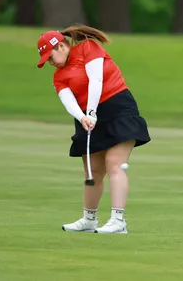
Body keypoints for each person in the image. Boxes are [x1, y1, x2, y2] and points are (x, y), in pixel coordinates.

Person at [36, 24, 151, 234]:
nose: (51, 63)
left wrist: (91, 112)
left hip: (117, 108)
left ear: (61, 46)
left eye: (50, 57)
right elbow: (68, 100)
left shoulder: (88, 47)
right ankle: (89, 220)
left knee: (114, 163)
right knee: (93, 171)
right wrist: (82, 117)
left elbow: (96, 80)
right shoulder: (59, 76)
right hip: (87, 118)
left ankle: (118, 221)